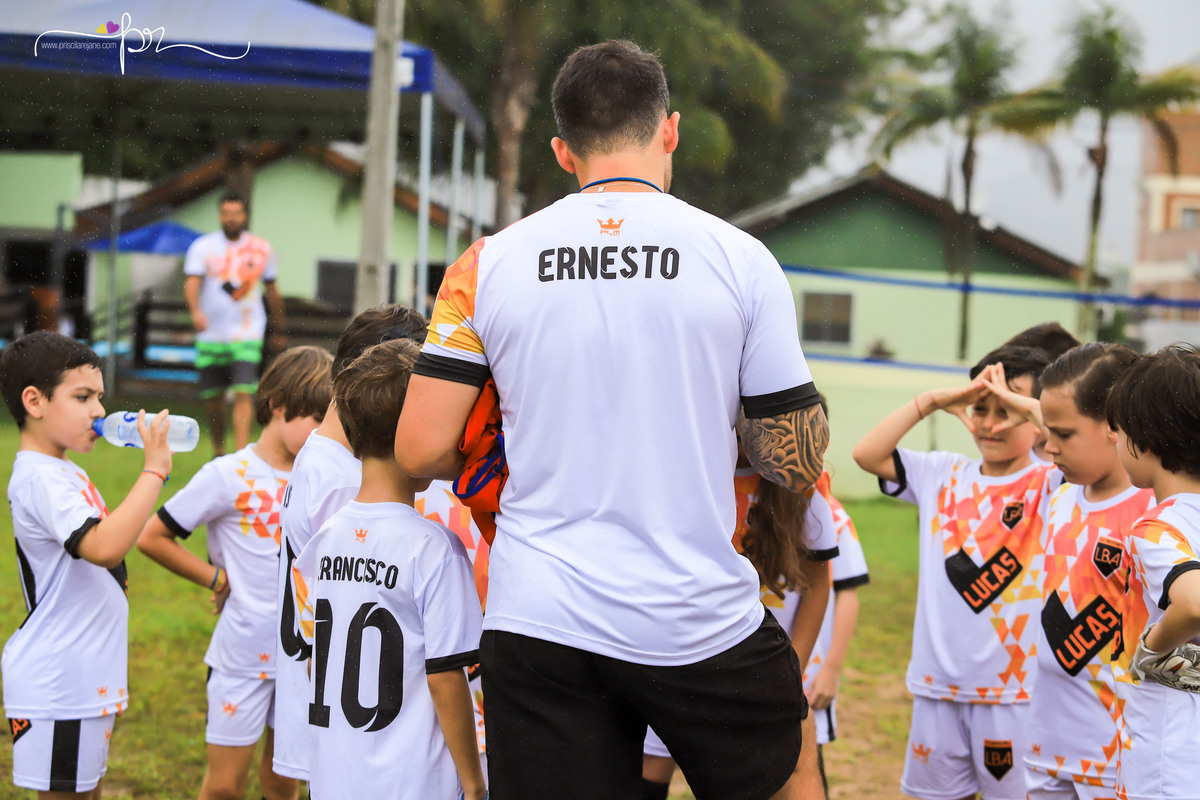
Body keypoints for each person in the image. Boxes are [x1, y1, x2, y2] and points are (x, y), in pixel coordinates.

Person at [394, 39, 829, 800]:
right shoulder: (741, 258)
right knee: (792, 773)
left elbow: (423, 446)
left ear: (562, 151)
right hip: (696, 616)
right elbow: (792, 462)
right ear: (670, 130)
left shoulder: (486, 264)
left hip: (540, 618)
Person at [273, 305, 489, 784]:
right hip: (395, 755)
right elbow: (442, 672)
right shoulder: (422, 543)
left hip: (345, 756)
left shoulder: (334, 517)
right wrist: (473, 779)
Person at [852, 345, 1056, 800]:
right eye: (981, 407)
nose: (991, 422)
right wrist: (932, 401)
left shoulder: (1052, 483)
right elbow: (867, 454)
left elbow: (1066, 432)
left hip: (1016, 694)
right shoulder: (941, 473)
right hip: (937, 687)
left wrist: (1026, 406)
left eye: (1008, 408)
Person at [136, 346, 332, 800]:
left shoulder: (326, 479)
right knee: (224, 786)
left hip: (305, 660)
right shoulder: (228, 474)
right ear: (279, 405)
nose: (325, 432)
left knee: (283, 785)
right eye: (316, 418)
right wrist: (216, 579)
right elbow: (152, 536)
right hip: (241, 657)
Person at [0, 331, 173, 798]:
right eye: (82, 397)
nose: (99, 411)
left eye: (98, 396)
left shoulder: (65, 471)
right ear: (34, 401)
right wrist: (154, 470)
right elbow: (102, 547)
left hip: (84, 675)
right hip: (61, 681)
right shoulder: (40, 477)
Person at [979, 343, 1153, 797]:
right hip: (1047, 745)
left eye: (1064, 434)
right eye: (1045, 428)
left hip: (1120, 753)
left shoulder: (1157, 513)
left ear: (1119, 426)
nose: (1047, 445)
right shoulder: (1058, 496)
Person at [641, 448, 840, 800]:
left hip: (760, 667)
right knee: (650, 768)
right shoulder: (688, 465)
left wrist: (792, 670)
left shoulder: (800, 480)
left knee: (784, 770)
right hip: (678, 659)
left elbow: (818, 580)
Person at [1104, 345, 1200, 800]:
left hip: (1172, 754)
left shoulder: (1160, 526)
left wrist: (1152, 652)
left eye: (1118, 432)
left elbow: (1195, 602)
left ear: (1146, 441)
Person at [184, 191, 286, 456]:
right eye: (226, 214)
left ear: (245, 216)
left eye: (236, 214)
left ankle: (240, 454)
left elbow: (273, 289)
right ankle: (218, 451)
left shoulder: (262, 249)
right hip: (211, 333)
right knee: (214, 398)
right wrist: (195, 311)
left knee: (243, 391)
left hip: (247, 330)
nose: (231, 219)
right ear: (220, 215)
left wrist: (279, 326)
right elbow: (192, 282)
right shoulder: (203, 247)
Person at [803, 469, 869, 792]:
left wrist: (831, 668)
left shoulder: (832, 513)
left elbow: (848, 591)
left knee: (807, 767)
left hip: (806, 677)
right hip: (743, 670)